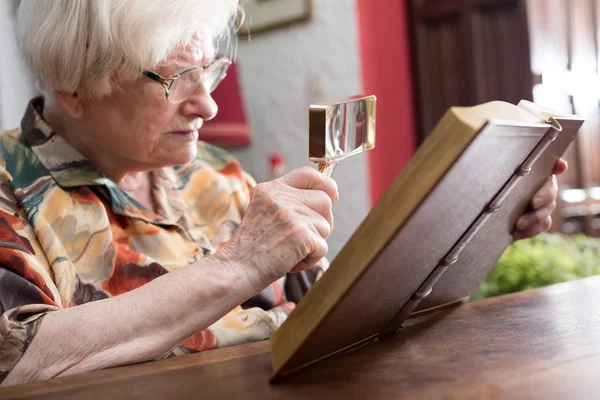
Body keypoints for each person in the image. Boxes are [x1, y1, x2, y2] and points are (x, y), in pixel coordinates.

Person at [0, 0, 563, 386]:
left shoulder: (215, 176)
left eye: (212, 71)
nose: (209, 106)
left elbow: (332, 317)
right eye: (174, 82)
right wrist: (239, 265)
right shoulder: (10, 186)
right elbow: (17, 361)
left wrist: (486, 213)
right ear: (73, 86)